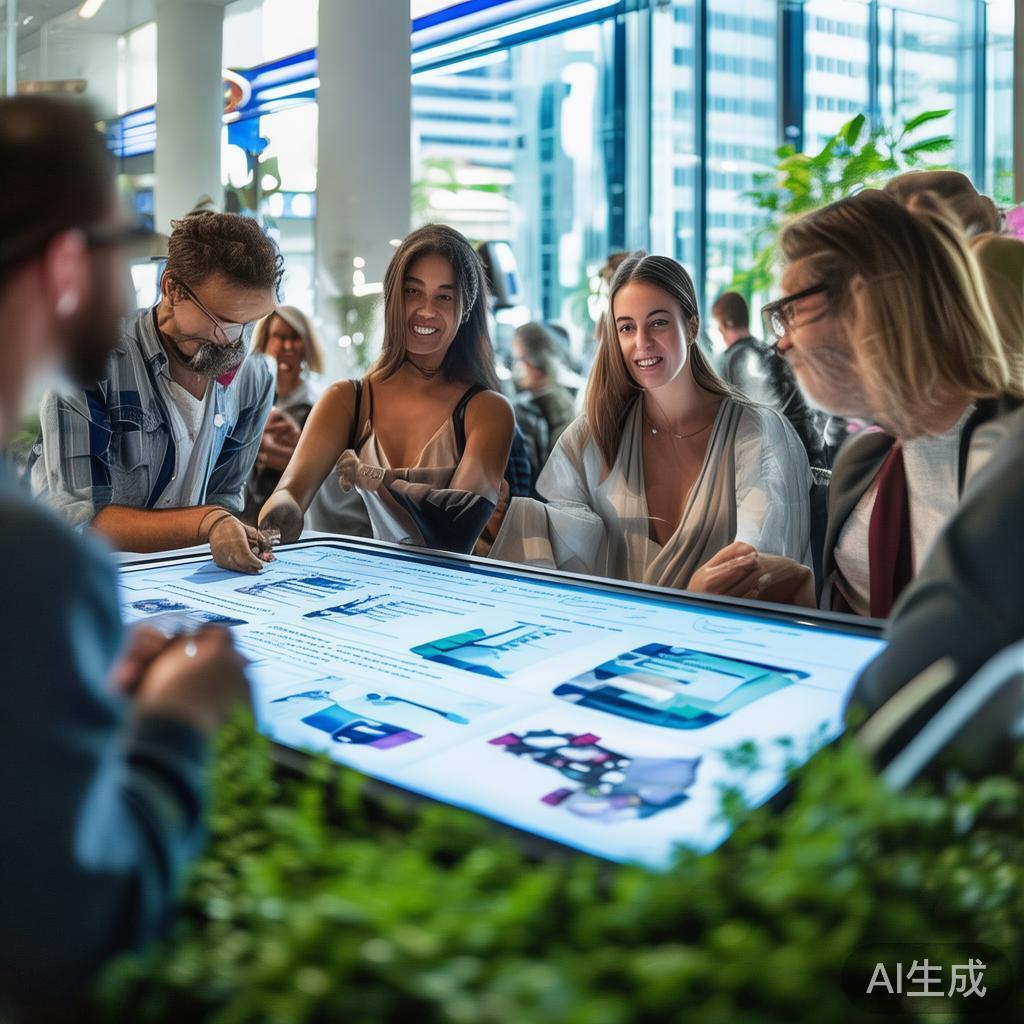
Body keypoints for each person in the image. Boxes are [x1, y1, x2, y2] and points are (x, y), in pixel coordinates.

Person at [0, 95, 249, 1019]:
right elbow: (79, 930)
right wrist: (179, 728)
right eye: (120, 242)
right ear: (69, 262)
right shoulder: (30, 557)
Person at [490, 252, 812, 601]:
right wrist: (510, 518)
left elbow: (761, 560)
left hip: (723, 643)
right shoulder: (594, 433)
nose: (641, 342)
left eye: (657, 322)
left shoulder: (759, 433)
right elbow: (566, 541)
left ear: (691, 326)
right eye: (627, 327)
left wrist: (696, 602)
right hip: (617, 642)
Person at [764, 189, 1021, 616]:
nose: (782, 341)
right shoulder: (862, 461)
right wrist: (809, 599)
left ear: (868, 304)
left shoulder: (1008, 462)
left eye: (792, 311)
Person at [30, 209, 282, 573]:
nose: (235, 344)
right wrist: (209, 523)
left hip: (183, 579)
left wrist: (230, 528)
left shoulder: (255, 376)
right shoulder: (91, 362)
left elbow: (223, 495)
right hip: (83, 580)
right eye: (222, 323)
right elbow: (80, 518)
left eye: (252, 323)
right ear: (172, 289)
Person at [260, 224, 515, 555]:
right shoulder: (346, 400)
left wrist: (373, 477)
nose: (426, 310)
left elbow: (459, 525)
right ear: (393, 296)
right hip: (336, 593)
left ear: (466, 308)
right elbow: (290, 492)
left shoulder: (488, 411)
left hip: (437, 598)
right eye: (413, 292)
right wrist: (273, 524)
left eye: (444, 296)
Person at [712, 290, 828, 468]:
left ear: (726, 324)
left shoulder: (740, 357)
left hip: (785, 464)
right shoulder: (763, 350)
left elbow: (765, 421)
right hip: (805, 455)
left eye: (720, 329)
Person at [242, 305, 325, 524]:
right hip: (247, 516)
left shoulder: (319, 403)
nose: (288, 346)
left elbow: (321, 471)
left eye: (295, 337)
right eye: (279, 336)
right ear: (265, 341)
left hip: (300, 519)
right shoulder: (248, 398)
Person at [510, 321, 577, 475]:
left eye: (519, 359)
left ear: (536, 359)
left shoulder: (532, 408)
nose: (516, 368)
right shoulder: (563, 397)